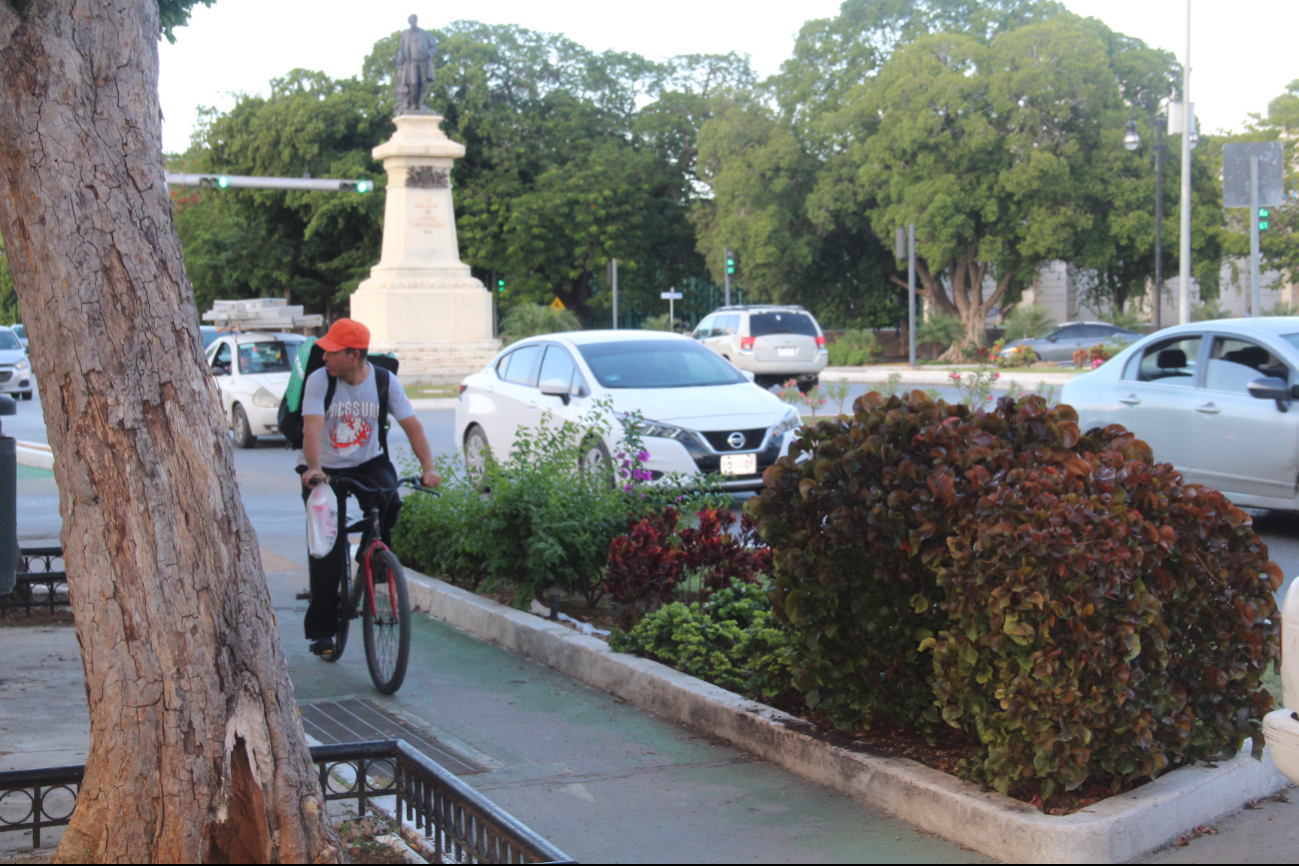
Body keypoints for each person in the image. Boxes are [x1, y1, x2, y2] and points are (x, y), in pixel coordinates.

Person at [298, 318, 440, 659]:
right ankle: (322, 631)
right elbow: (312, 431)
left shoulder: (383, 381)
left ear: (355, 355)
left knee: (390, 498)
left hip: (368, 462)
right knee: (326, 552)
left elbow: (413, 427)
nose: (325, 356)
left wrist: (428, 468)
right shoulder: (319, 381)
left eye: (333, 352)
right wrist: (315, 469)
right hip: (326, 468)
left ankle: (373, 554)